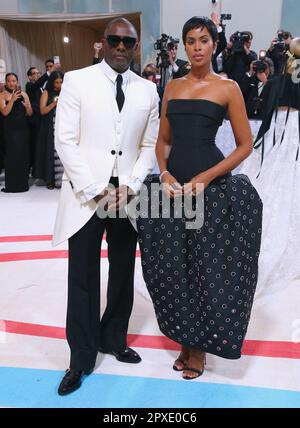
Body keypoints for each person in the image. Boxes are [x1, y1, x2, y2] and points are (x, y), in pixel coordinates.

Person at [137, 16, 263, 380]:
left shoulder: (228, 88)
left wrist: (206, 179)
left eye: (203, 40)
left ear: (214, 45)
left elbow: (245, 145)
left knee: (205, 268)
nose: (196, 47)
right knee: (175, 268)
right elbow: (163, 141)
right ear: (184, 46)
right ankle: (185, 340)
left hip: (210, 189)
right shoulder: (173, 87)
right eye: (190, 40)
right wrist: (163, 173)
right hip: (171, 189)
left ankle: (200, 349)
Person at [53, 17, 159, 395]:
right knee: (82, 277)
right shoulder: (78, 81)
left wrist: (129, 185)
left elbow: (149, 145)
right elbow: (65, 141)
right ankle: (80, 358)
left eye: (127, 43)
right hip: (87, 194)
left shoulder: (148, 90)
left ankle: (113, 338)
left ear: (135, 47)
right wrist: (97, 188)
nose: (119, 47)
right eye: (113, 40)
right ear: (102, 43)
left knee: (121, 272)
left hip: (127, 196)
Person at [240, 37, 300, 300]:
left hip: (278, 135)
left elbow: (266, 113)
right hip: (290, 136)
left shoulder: (276, 83)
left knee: (272, 180)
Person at [0, 73, 32, 192]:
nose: (11, 83)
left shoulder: (23, 94)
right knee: (11, 157)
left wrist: (27, 106)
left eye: (14, 81)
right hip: (10, 130)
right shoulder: (2, 96)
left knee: (23, 156)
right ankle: (12, 186)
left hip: (23, 129)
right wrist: (12, 100)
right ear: (6, 82)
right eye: (9, 81)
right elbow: (4, 113)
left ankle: (23, 185)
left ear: (17, 82)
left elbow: (30, 114)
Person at [26, 64, 59, 177]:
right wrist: (49, 72)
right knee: (37, 147)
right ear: (29, 77)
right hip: (35, 120)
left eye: (38, 73)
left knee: (43, 147)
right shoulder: (30, 86)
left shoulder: (42, 88)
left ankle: (43, 172)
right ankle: (37, 171)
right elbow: (38, 83)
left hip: (45, 120)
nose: (37, 75)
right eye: (34, 73)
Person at [35, 70, 64, 189]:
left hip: (62, 125)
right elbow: (42, 110)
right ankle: (50, 179)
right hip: (49, 126)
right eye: (56, 82)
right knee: (49, 152)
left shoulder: (66, 92)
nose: (59, 85)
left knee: (62, 152)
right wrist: (54, 104)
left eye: (61, 82)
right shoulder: (46, 93)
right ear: (52, 82)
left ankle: (63, 179)